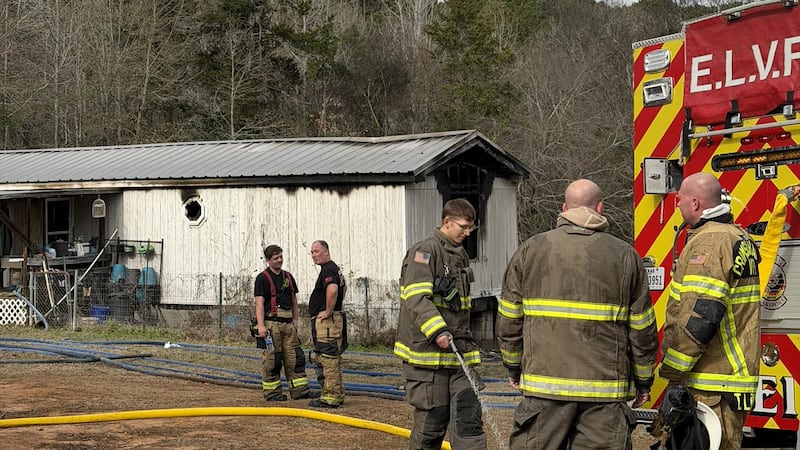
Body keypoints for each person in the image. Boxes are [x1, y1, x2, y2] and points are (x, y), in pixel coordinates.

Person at [497, 179, 658, 450]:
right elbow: (642, 330)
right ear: (600, 207)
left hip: (544, 389)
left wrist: (514, 367)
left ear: (563, 208)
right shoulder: (625, 256)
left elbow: (510, 319)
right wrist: (643, 382)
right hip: (604, 394)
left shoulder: (530, 250)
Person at [658, 172, 761, 450]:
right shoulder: (739, 237)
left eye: (679, 201)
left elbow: (700, 317)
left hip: (711, 385)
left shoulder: (709, 243)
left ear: (694, 203)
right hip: (731, 379)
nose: (676, 206)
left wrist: (673, 371)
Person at [394, 198, 487, 450]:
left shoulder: (460, 255)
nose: (467, 233)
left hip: (459, 355)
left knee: (469, 418)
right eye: (463, 227)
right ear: (447, 221)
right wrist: (437, 329)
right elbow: (416, 297)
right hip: (428, 358)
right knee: (431, 423)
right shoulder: (425, 252)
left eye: (471, 228)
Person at [253, 244, 317, 402]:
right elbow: (259, 304)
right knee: (272, 359)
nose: (280, 260)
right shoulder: (262, 279)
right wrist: (261, 326)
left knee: (294, 357)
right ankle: (272, 393)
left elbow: (294, 299)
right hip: (271, 324)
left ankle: (300, 391)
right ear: (268, 260)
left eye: (281, 257)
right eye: (276, 258)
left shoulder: (288, 277)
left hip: (288, 324)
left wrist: (296, 320)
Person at [307, 240, 348, 408]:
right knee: (329, 357)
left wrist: (329, 310)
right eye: (312, 252)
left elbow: (333, 289)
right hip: (331, 321)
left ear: (326, 251)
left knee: (327, 358)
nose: (314, 255)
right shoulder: (333, 269)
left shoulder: (328, 269)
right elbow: (343, 287)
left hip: (327, 323)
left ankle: (330, 396)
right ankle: (336, 393)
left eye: (317, 251)